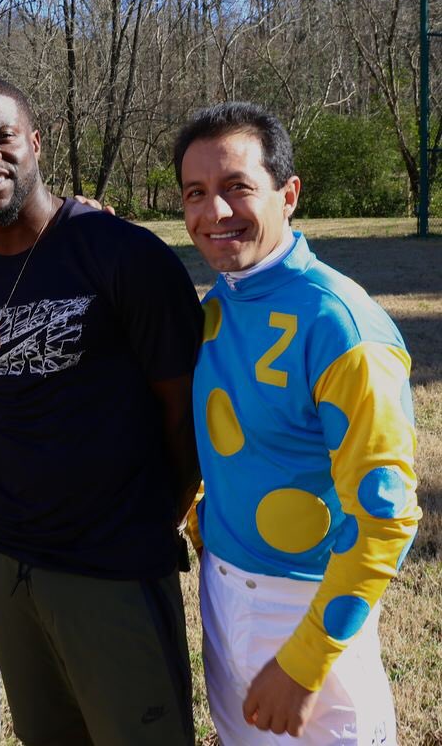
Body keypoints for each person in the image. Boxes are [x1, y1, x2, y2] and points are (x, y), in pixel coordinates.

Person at [0, 76, 202, 745]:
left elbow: (183, 411)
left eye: (0, 136)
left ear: (35, 142)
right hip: (11, 564)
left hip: (113, 569)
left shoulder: (123, 254)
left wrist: (145, 525)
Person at [173, 101, 421, 743]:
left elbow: (387, 517)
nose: (214, 213)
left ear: (289, 194)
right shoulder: (219, 302)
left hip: (305, 605)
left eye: (237, 188)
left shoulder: (343, 325)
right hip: (222, 589)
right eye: (196, 193)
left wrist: (306, 663)